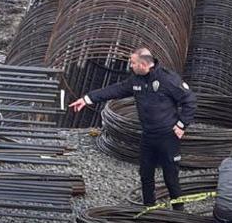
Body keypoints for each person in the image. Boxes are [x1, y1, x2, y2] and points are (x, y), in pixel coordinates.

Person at [69, 48, 197, 210]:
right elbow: (115, 89)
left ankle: (178, 211)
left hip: (167, 136)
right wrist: (87, 99)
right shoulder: (136, 80)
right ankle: (149, 208)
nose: (130, 66)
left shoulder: (167, 79)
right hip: (148, 135)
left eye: (133, 63)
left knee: (170, 176)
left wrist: (181, 125)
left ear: (143, 65)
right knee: (145, 174)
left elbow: (190, 100)